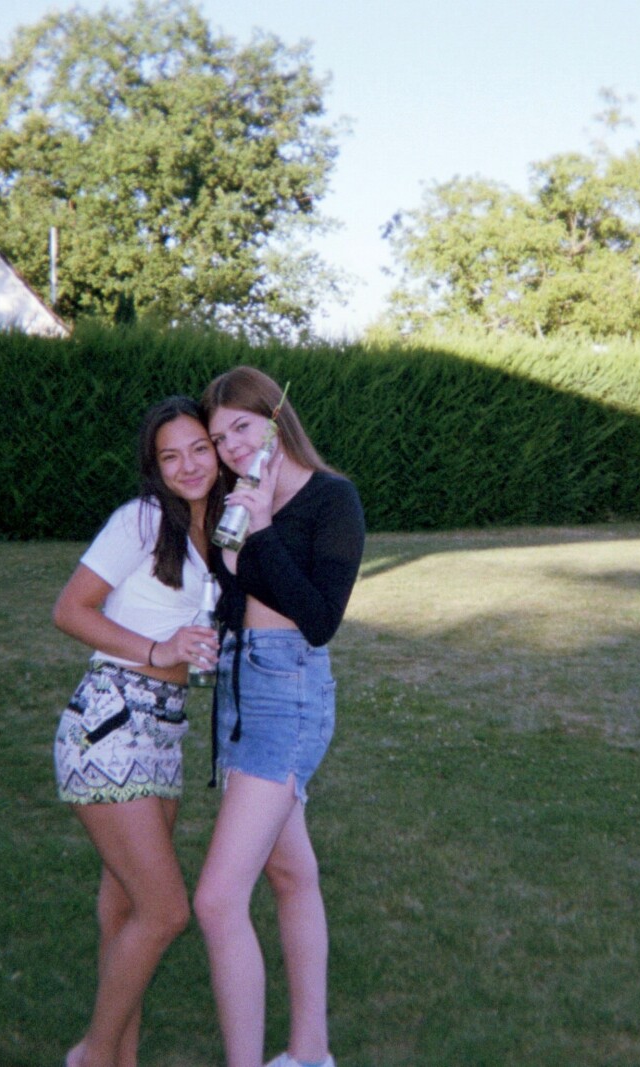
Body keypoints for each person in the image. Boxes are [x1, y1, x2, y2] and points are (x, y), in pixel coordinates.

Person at [192, 367, 365, 1067]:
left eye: (241, 426)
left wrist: (260, 530)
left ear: (275, 416)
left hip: (288, 692)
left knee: (216, 899)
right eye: (218, 437)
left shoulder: (332, 499)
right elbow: (236, 596)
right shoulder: (234, 499)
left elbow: (319, 620)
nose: (230, 446)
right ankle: (311, 1053)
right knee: (292, 876)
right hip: (239, 689)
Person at [50, 396, 223, 1067]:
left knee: (124, 909)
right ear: (155, 467)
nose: (188, 465)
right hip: (111, 721)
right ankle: (93, 1055)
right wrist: (158, 649)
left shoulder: (219, 530)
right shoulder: (142, 519)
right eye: (169, 456)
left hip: (164, 729)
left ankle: (122, 1058)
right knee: (165, 910)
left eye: (199, 448)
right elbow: (70, 609)